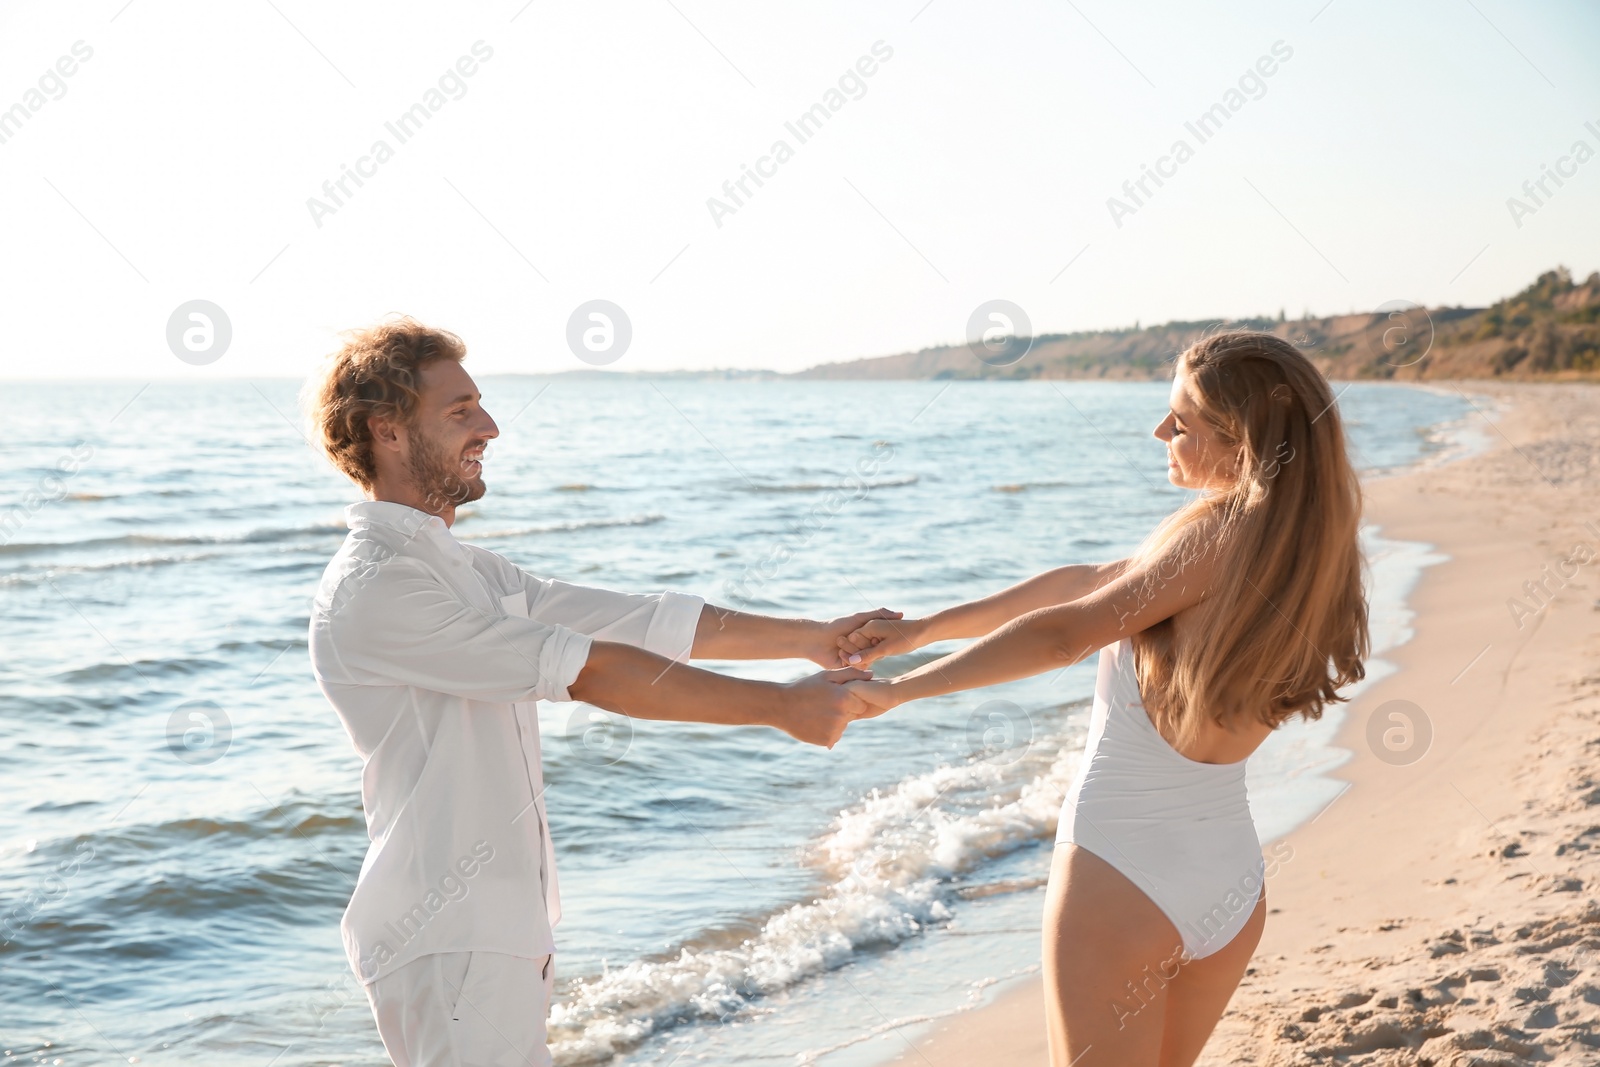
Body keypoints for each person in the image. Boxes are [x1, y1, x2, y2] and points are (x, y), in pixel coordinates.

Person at [302, 318, 894, 1067]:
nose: (488, 426)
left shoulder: (469, 569)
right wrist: (779, 706)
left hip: (497, 932)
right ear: (385, 430)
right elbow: (590, 669)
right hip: (447, 937)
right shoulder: (378, 585)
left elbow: (640, 620)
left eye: (480, 405)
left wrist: (812, 635)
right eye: (459, 412)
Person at [838, 331, 1369, 1066]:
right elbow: (1086, 582)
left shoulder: (1216, 535)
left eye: (1180, 421)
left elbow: (1067, 634)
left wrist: (897, 693)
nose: (1160, 432)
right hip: (1230, 884)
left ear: (1241, 441)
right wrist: (928, 628)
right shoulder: (1310, 554)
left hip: (1121, 876)